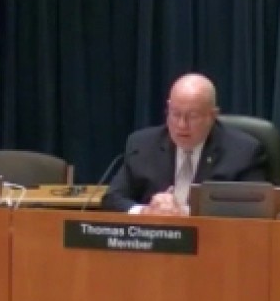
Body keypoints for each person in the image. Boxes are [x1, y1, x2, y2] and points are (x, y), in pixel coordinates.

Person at [101, 73, 267, 215]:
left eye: (192, 116)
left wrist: (185, 213)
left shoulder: (244, 153)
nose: (182, 125)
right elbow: (112, 198)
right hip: (155, 238)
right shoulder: (142, 145)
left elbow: (255, 209)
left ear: (213, 115)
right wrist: (146, 211)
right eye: (175, 114)